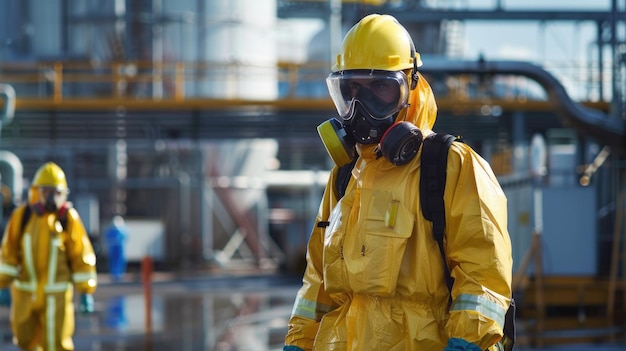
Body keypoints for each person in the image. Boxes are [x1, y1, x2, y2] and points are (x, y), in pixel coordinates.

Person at [283, 14, 513, 351]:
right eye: (352, 91)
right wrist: (298, 343)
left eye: (380, 88)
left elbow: (484, 279)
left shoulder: (450, 166)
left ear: (411, 86)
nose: (363, 107)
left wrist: (469, 343)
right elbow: (316, 286)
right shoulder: (345, 176)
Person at [0, 161, 97, 351]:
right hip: (25, 293)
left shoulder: (68, 219)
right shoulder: (22, 216)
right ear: (37, 192)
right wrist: (3, 283)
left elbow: (81, 254)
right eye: (47, 192)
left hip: (56, 295)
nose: (51, 197)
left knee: (56, 342)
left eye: (56, 193)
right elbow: (8, 251)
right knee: (25, 339)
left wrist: (86, 291)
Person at [104, 215, 128, 282]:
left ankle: (120, 274)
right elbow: (107, 237)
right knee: (113, 261)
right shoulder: (111, 230)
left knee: (120, 261)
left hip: (120, 248)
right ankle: (114, 274)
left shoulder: (122, 230)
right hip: (114, 248)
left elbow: (125, 237)